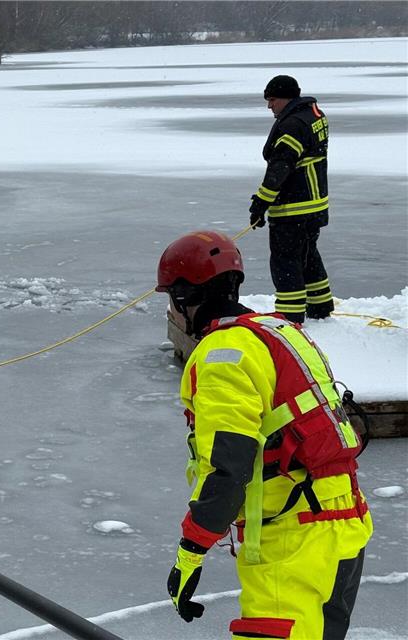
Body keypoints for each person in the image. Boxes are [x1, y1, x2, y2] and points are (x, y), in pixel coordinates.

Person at [156, 230, 371, 640]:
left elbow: (227, 468)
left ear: (185, 298)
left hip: (295, 541)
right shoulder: (279, 331)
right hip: (342, 524)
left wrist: (191, 553)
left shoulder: (223, 356)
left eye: (170, 297)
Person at [249, 75, 333, 323]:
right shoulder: (314, 115)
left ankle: (290, 314)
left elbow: (280, 168)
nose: (269, 106)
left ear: (286, 98)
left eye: (272, 100)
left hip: (294, 207)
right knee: (308, 255)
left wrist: (261, 203)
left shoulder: (292, 125)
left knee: (285, 261)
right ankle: (320, 306)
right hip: (315, 204)